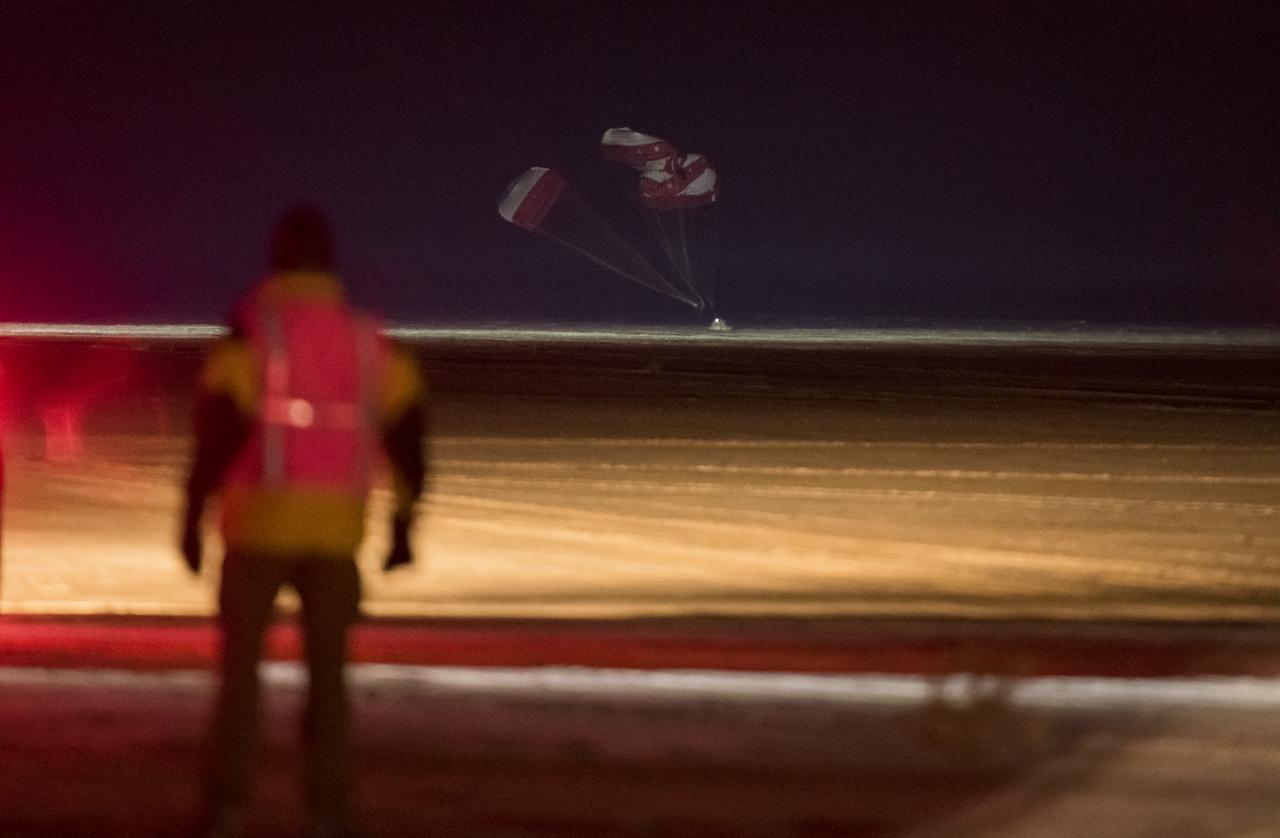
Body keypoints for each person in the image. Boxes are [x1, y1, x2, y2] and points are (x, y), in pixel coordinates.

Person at [180, 207, 428, 838]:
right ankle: (328, 812)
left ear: (274, 261)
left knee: (238, 683)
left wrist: (190, 513)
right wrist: (403, 524)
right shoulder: (370, 341)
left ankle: (227, 809)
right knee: (329, 684)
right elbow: (409, 438)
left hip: (257, 530)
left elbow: (217, 432)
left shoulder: (251, 335)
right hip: (336, 538)